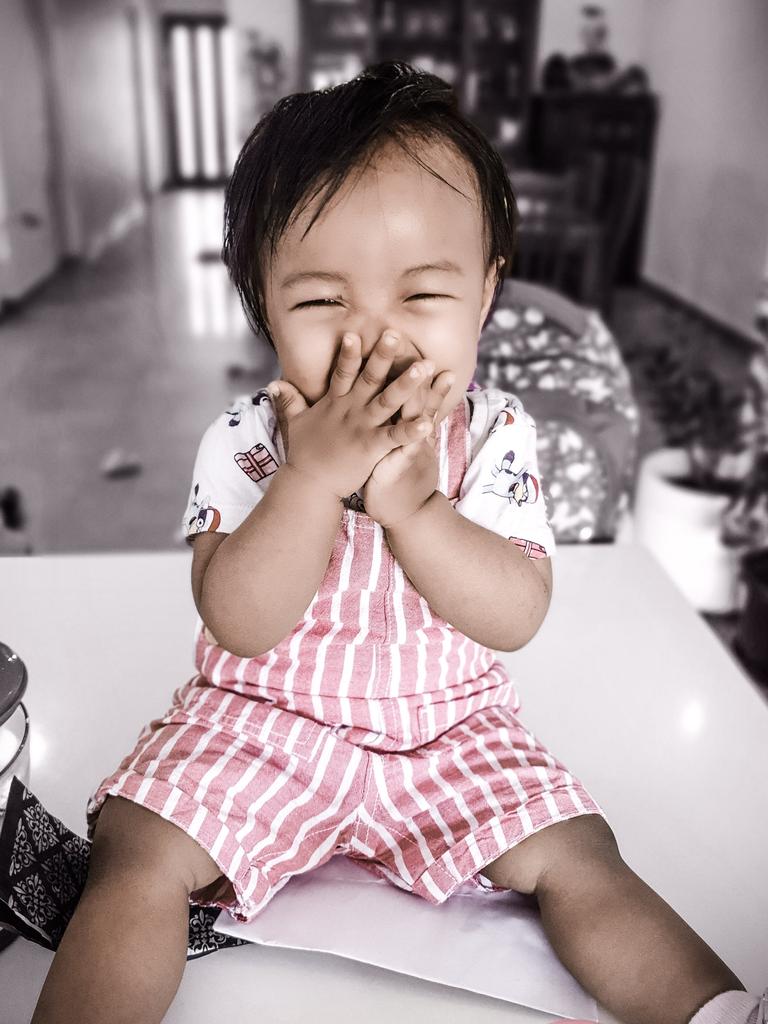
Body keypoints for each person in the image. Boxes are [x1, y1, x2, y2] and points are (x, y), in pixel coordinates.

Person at [30, 61, 766, 1024]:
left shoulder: (495, 435)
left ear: (487, 292)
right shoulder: (248, 442)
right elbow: (242, 623)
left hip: (451, 727)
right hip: (262, 723)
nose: (372, 340)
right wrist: (311, 479)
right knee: (136, 852)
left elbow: (515, 613)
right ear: (260, 297)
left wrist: (420, 512)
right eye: (322, 302)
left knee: (580, 854)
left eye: (422, 298)